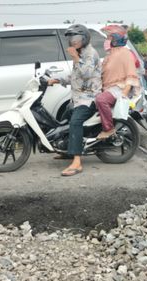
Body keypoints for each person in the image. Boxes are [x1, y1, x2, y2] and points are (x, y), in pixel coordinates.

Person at [47, 25, 101, 177]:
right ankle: (67, 151)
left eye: (76, 38)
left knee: (75, 123)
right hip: (78, 98)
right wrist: (57, 80)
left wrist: (76, 58)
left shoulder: (90, 53)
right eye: (71, 39)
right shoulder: (80, 52)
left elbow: (87, 73)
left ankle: (77, 162)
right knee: (64, 118)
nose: (73, 41)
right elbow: (75, 76)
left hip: (89, 98)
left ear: (84, 39)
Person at [94, 25, 139, 140]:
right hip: (108, 88)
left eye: (109, 38)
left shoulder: (125, 53)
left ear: (116, 40)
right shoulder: (111, 54)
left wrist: (124, 93)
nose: (107, 40)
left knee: (101, 100)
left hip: (119, 88)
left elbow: (131, 74)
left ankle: (109, 129)